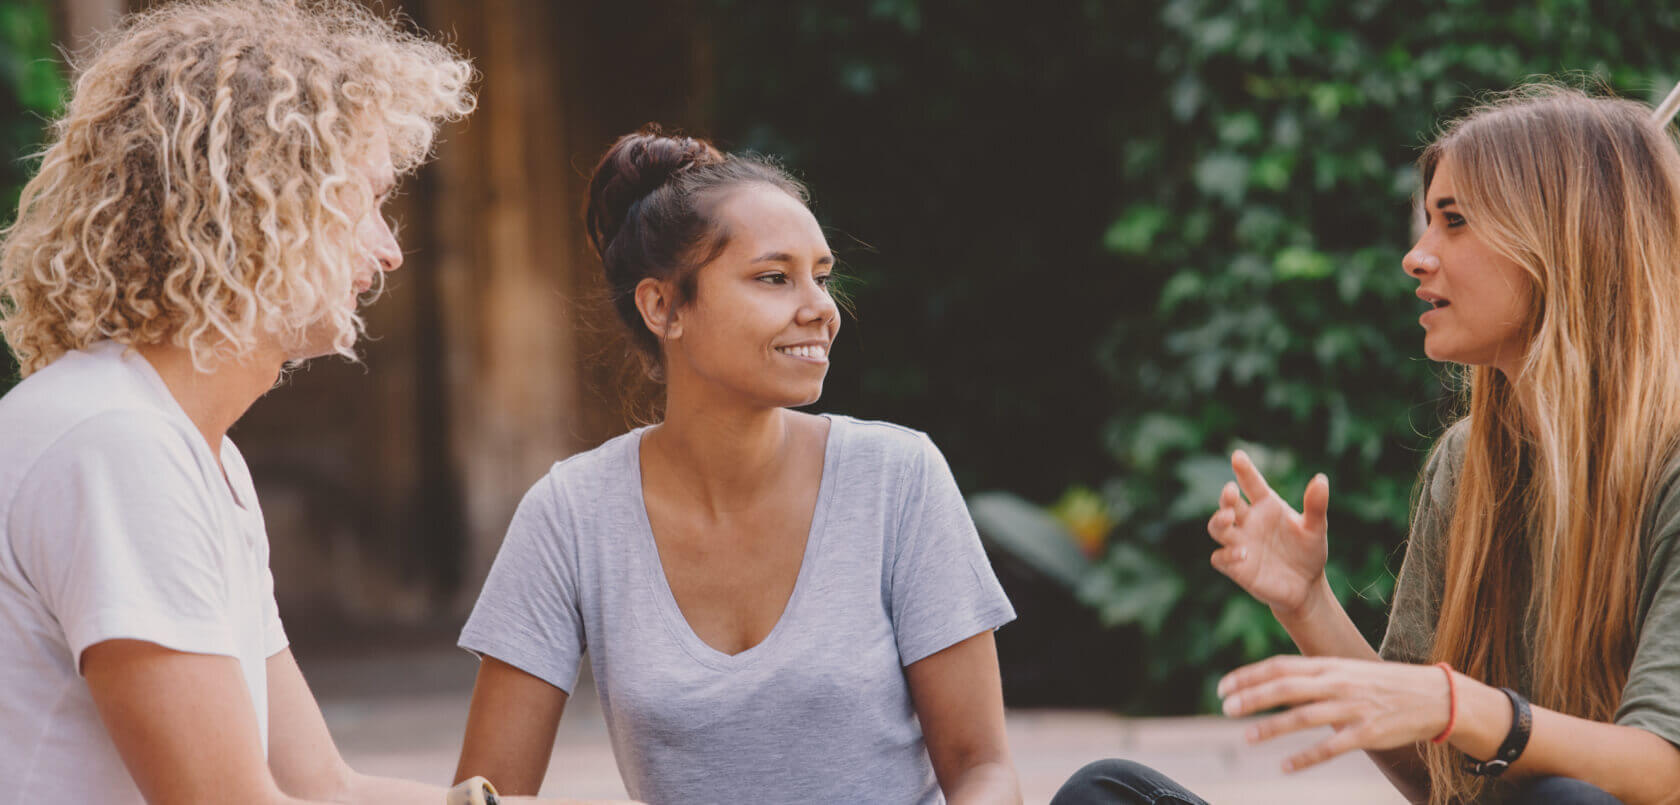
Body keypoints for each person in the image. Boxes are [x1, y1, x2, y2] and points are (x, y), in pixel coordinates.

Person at [0, 2, 619, 803]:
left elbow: (327, 785)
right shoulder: (119, 445)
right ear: (258, 206)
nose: (389, 249)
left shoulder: (193, 450)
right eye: (366, 200)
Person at [1055, 85, 1680, 805]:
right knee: (1103, 793)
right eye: (1427, 223)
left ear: (1565, 243)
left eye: (1455, 223)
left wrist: (1467, 707)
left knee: (1560, 801)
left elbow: (1664, 766)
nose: (1417, 257)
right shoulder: (1470, 461)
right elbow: (1430, 770)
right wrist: (1308, 604)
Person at [452, 127, 1022, 804]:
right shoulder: (571, 514)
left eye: (823, 275)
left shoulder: (898, 477)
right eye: (774, 277)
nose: (821, 310)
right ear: (662, 305)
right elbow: (485, 794)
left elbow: (982, 767)